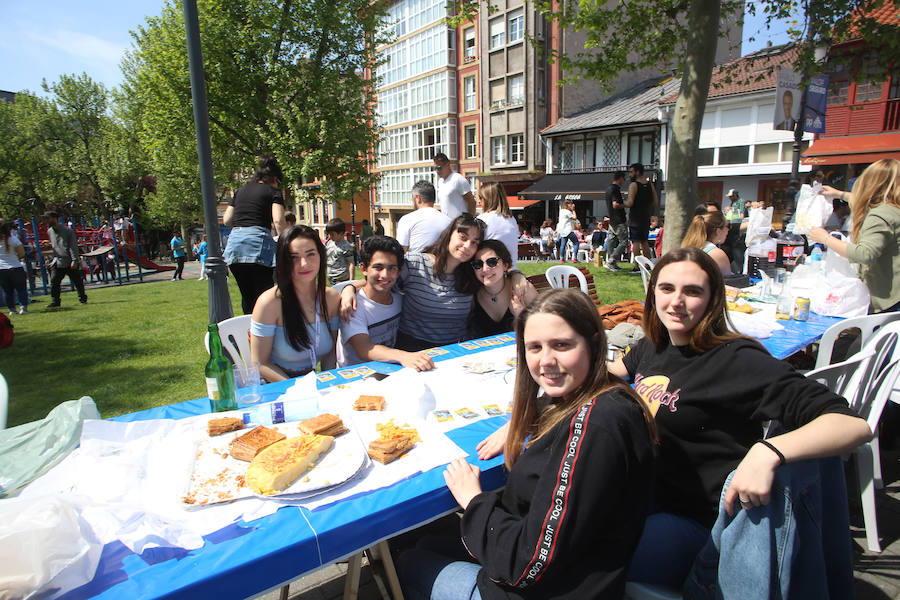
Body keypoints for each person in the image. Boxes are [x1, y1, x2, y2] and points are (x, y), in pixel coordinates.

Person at [599, 247, 871, 589]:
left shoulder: (736, 360)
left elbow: (852, 423)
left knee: (592, 560)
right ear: (652, 294)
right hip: (645, 496)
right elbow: (614, 373)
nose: (676, 301)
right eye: (666, 289)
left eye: (692, 291)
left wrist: (770, 451)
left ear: (713, 300)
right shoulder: (654, 346)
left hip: (699, 520)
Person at [398, 288, 657, 600]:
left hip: (545, 587)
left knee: (409, 561)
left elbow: (529, 563)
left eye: (561, 345)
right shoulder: (599, 395)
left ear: (594, 342)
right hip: (564, 562)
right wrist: (523, 418)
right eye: (534, 347)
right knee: (428, 543)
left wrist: (475, 501)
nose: (546, 361)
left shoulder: (596, 425)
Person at [250, 225, 341, 381]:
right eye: (294, 257)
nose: (304, 263)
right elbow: (260, 363)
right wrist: (299, 390)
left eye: (310, 254)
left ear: (321, 256)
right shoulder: (269, 303)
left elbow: (330, 355)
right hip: (274, 384)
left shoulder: (331, 299)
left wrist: (329, 384)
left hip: (311, 381)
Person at [809, 158, 900, 313]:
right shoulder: (892, 208)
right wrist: (839, 194)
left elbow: (864, 254)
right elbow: (864, 202)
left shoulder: (879, 216)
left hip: (888, 301)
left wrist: (825, 238)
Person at [336, 236, 435, 371]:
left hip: (388, 371)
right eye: (378, 267)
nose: (385, 275)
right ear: (364, 268)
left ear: (399, 272)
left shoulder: (400, 299)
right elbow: (364, 349)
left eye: (392, 268)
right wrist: (404, 356)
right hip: (353, 377)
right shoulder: (352, 305)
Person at [224, 154, 287, 314]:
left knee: (247, 297)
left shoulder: (240, 191)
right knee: (264, 297)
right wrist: (287, 243)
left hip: (235, 246)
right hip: (258, 245)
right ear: (275, 178)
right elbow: (279, 221)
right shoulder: (273, 192)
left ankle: (248, 331)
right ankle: (264, 333)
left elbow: (226, 220)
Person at [466, 239, 537, 339]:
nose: (485, 269)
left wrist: (522, 316)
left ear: (505, 265)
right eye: (478, 264)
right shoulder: (472, 295)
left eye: (492, 262)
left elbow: (547, 326)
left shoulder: (523, 289)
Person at [43, 211, 87, 308]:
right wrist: (48, 245)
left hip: (69, 260)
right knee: (54, 281)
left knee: (77, 281)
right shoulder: (50, 231)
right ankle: (55, 301)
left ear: (55, 218)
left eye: (48, 218)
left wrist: (74, 260)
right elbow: (56, 245)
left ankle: (83, 298)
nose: (46, 221)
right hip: (57, 260)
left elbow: (72, 246)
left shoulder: (67, 231)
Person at [396, 180, 451, 253]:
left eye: (412, 198)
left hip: (415, 263)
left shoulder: (407, 220)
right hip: (441, 263)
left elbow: (401, 251)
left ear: (418, 198)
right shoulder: (449, 221)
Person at [476, 182, 519, 264]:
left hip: (489, 269)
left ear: (486, 199)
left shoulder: (482, 219)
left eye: (480, 198)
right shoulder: (511, 219)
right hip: (511, 268)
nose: (479, 201)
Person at [625, 163, 658, 266]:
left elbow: (630, 202)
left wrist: (620, 205)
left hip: (635, 218)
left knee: (635, 242)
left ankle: (637, 266)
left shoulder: (633, 185)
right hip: (645, 217)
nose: (630, 174)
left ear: (637, 172)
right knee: (645, 242)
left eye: (631, 172)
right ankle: (648, 265)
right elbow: (655, 201)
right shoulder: (649, 185)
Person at [433, 152, 475, 219]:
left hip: (461, 224)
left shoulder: (458, 179)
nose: (437, 171)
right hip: (447, 224)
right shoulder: (440, 182)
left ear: (447, 164)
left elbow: (471, 201)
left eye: (439, 168)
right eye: (434, 168)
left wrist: (470, 220)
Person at [0, 221, 29, 315]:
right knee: (21, 289)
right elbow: (22, 254)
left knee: (7, 291)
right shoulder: (13, 239)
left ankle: (12, 310)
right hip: (15, 267)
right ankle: (23, 308)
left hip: (1, 269)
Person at [605, 171, 628, 271]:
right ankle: (612, 260)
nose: (624, 181)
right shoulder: (615, 189)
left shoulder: (608, 189)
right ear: (620, 178)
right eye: (624, 178)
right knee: (624, 242)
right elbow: (615, 204)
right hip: (619, 219)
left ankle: (610, 262)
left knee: (612, 240)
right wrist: (627, 205)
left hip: (612, 220)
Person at [324, 218, 355, 285]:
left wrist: (351, 280)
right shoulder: (330, 243)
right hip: (332, 276)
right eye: (329, 234)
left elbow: (351, 263)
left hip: (342, 278)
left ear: (341, 233)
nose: (330, 236)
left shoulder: (346, 246)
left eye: (332, 234)